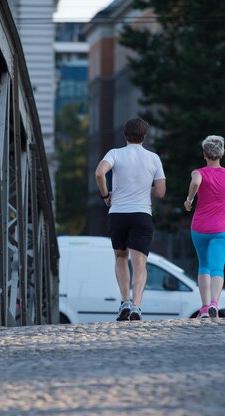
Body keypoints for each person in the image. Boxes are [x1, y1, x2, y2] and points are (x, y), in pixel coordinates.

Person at [95, 118, 166, 321]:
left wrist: (106, 195)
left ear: (125, 135)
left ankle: (124, 301)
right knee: (140, 263)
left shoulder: (115, 154)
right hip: (141, 214)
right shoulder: (153, 158)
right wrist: (144, 188)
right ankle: (136, 306)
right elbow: (160, 192)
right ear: (145, 136)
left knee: (120, 258)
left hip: (117, 213)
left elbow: (100, 172)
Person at [184, 135, 225, 318]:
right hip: (222, 229)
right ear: (221, 153)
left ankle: (205, 307)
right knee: (218, 268)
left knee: (204, 265)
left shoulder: (198, 172)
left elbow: (196, 182)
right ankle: (215, 303)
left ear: (205, 154)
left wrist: (189, 200)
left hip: (199, 228)